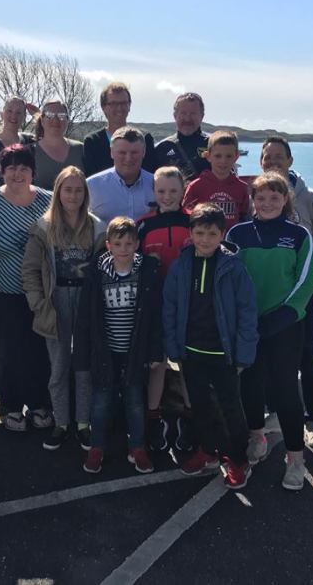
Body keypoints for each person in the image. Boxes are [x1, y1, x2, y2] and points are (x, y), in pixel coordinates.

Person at [226, 171, 313, 491]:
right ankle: (257, 438)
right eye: (260, 198)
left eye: (274, 198)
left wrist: (283, 316)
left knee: (285, 391)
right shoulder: (237, 233)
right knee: (249, 386)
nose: (267, 203)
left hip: (285, 327)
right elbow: (228, 279)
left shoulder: (299, 235)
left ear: (285, 200)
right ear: (252, 200)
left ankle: (295, 459)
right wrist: (241, 319)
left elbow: (305, 282)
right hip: (248, 326)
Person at [163, 203, 258, 489]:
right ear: (190, 233)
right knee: (200, 407)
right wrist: (173, 347)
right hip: (191, 352)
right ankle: (208, 451)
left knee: (230, 409)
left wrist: (244, 353)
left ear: (222, 234)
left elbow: (247, 312)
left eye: (212, 233)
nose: (205, 239)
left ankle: (238, 459)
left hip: (223, 353)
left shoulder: (234, 268)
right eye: (200, 233)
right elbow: (170, 308)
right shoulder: (181, 266)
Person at [22, 167, 106, 451]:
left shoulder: (97, 227)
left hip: (86, 300)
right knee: (58, 367)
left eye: (78, 190)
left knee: (84, 366)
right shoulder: (43, 227)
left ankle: (82, 423)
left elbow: (104, 267)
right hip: (55, 301)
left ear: (85, 194)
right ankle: (61, 422)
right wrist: (38, 303)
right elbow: (30, 270)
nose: (73, 195)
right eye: (68, 190)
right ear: (58, 192)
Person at [260, 136, 313, 449]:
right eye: (267, 157)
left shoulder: (311, 200)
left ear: (290, 161)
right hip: (267, 300)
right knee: (270, 359)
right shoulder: (258, 198)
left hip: (301, 300)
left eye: (279, 156)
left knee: (307, 357)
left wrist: (303, 283)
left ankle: (312, 421)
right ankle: (275, 414)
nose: (273, 162)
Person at [0, 144, 53, 431]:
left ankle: (40, 404)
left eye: (24, 168)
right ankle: (10, 407)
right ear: (1, 171)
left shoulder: (49, 200)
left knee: (39, 351)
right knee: (7, 353)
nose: (17, 173)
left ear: (33, 171)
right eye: (11, 168)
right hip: (4, 293)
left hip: (41, 293)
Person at [74, 217, 163, 475]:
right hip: (106, 351)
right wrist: (81, 355)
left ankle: (138, 447)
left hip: (135, 352)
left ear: (137, 244)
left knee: (135, 401)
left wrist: (155, 351)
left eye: (129, 243)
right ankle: (97, 447)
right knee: (101, 401)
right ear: (108, 245)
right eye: (118, 243)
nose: (123, 248)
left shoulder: (147, 272)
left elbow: (155, 317)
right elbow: (85, 318)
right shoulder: (97, 274)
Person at [135, 166, 194, 452]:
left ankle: (189, 420)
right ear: (154, 191)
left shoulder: (193, 221)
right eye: (161, 191)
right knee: (156, 364)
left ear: (183, 191)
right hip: (155, 306)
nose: (167, 196)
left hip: (188, 306)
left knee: (187, 364)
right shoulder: (144, 225)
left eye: (173, 191)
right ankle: (154, 418)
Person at [82, 82, 156, 176]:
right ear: (103, 107)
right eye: (113, 104)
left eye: (123, 103)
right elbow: (90, 178)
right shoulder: (92, 142)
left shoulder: (145, 139)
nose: (119, 108)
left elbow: (150, 175)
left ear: (129, 105)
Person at [183, 130, 251, 231]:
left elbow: (244, 217)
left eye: (228, 156)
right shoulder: (196, 187)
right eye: (218, 156)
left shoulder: (242, 188)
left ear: (236, 156)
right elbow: (186, 217)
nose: (223, 161)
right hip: (205, 239)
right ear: (208, 156)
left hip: (231, 239)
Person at [87, 126, 154, 223]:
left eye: (134, 152)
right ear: (111, 152)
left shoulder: (156, 185)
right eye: (122, 153)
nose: (128, 158)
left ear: (143, 152)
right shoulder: (91, 186)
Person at [0, 96, 36, 187]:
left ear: (24, 117)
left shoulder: (29, 141)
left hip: (23, 194)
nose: (14, 116)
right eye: (9, 111)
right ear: (2, 113)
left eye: (18, 112)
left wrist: (38, 115)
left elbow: (50, 137)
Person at [153, 92, 211, 182]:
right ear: (175, 116)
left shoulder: (214, 145)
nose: (187, 119)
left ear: (202, 116)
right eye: (183, 113)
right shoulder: (162, 148)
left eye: (193, 113)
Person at [31, 101, 84, 190]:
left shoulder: (80, 149)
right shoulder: (29, 152)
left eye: (61, 116)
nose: (56, 120)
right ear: (42, 120)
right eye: (50, 115)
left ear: (67, 120)